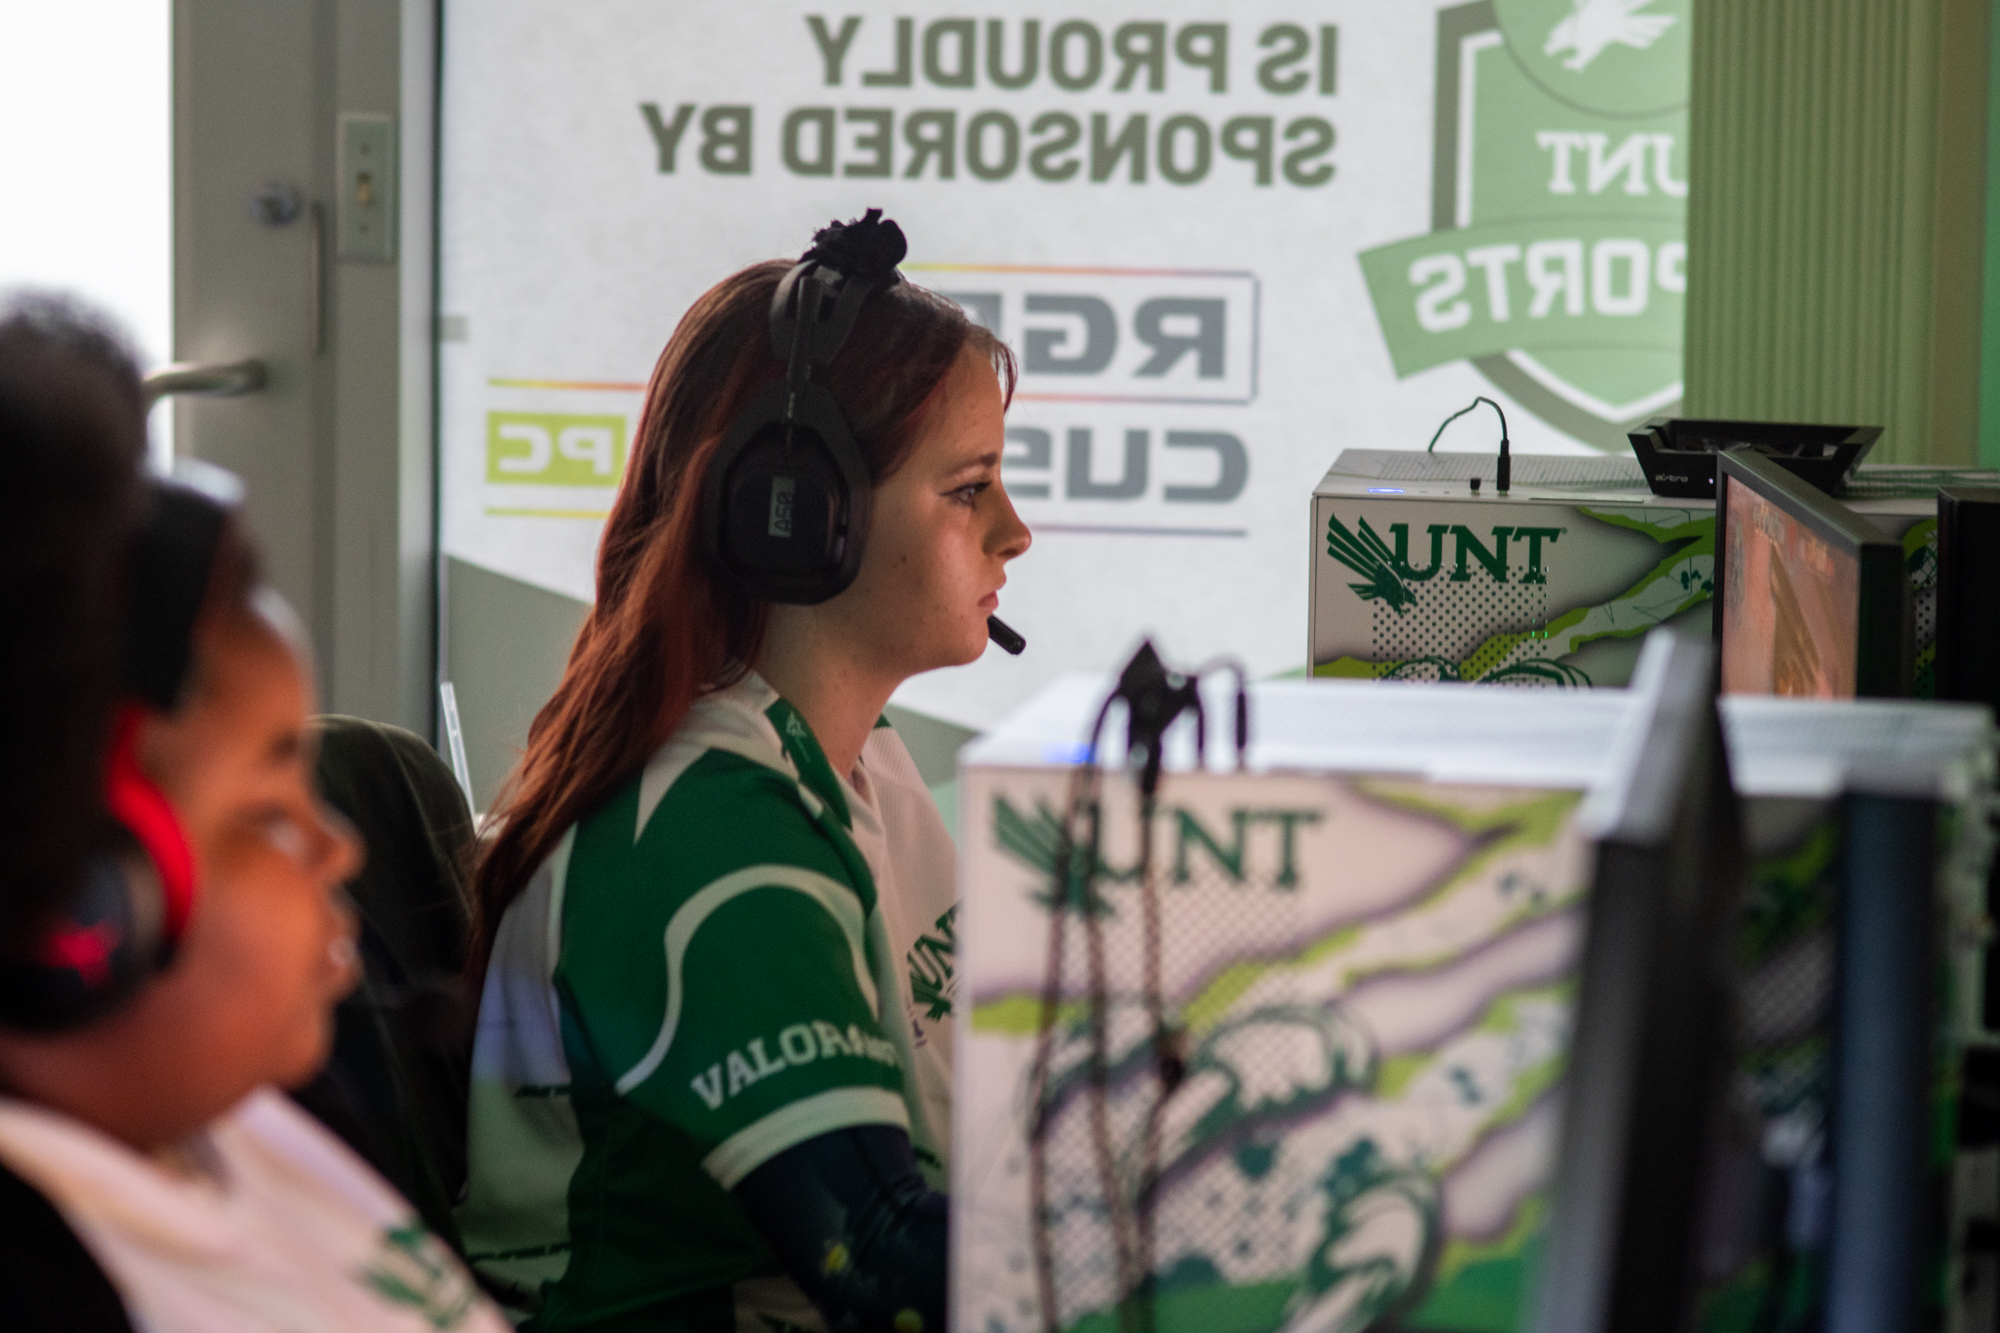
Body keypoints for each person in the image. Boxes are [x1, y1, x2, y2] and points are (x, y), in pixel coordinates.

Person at [459, 212, 1031, 1331]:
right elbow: (881, 1266)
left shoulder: (859, 765)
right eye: (968, 489)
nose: (1015, 531)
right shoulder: (709, 835)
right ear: (795, 514)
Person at [0, 296, 511, 1333]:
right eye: (268, 810)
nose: (341, 846)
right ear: (80, 913)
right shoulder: (56, 1281)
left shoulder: (242, 1111)